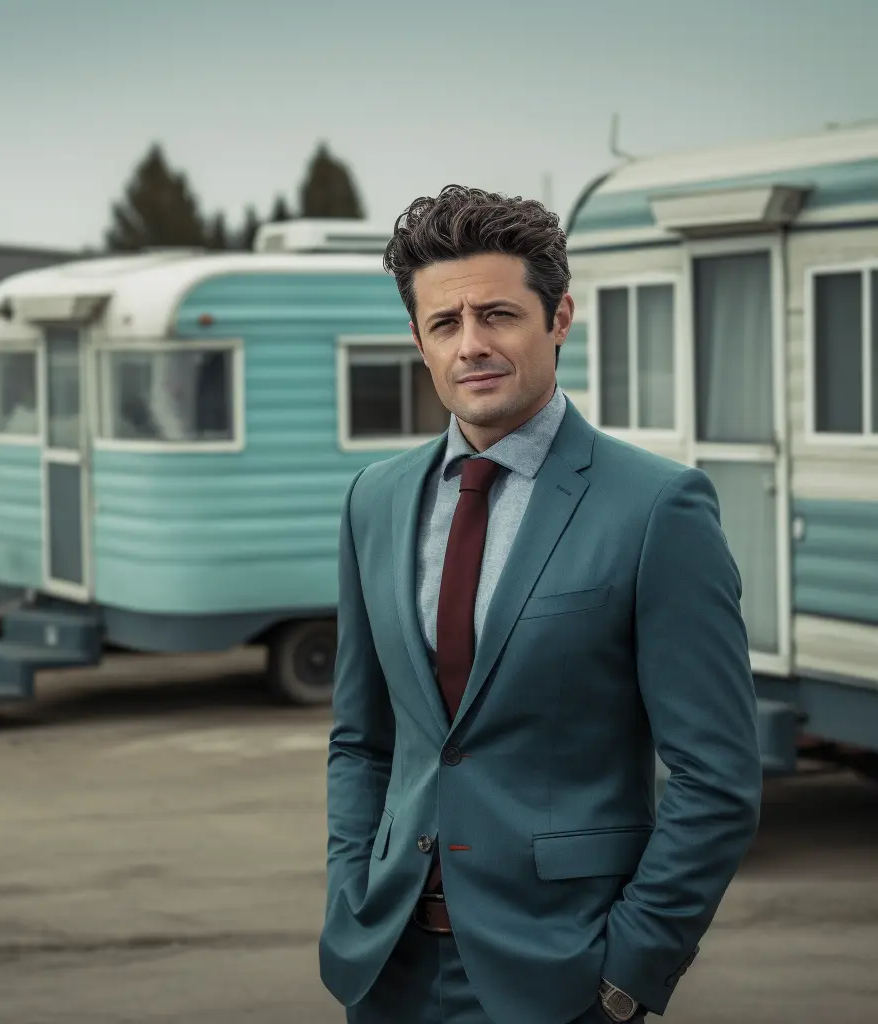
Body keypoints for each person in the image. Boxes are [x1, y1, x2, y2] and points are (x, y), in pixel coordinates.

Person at [318, 185, 763, 1024]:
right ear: (418, 338)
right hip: (386, 968)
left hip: (563, 979)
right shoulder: (373, 500)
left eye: (499, 315)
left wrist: (630, 973)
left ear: (559, 317)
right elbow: (361, 740)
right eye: (444, 324)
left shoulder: (657, 507)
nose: (472, 346)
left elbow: (717, 778)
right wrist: (350, 892)